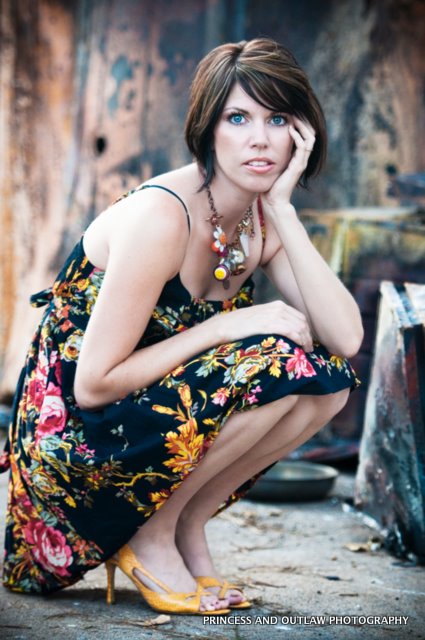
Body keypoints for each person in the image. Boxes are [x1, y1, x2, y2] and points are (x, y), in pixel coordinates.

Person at [1, 38, 363, 615]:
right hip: (77, 442)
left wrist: (284, 210)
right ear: (207, 128)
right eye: (237, 118)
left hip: (146, 424)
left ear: (302, 134)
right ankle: (149, 534)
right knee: (275, 361)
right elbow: (92, 385)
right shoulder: (163, 215)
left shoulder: (259, 219)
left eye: (277, 119)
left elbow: (345, 340)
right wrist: (228, 327)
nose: (260, 138)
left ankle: (184, 524)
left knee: (328, 380)